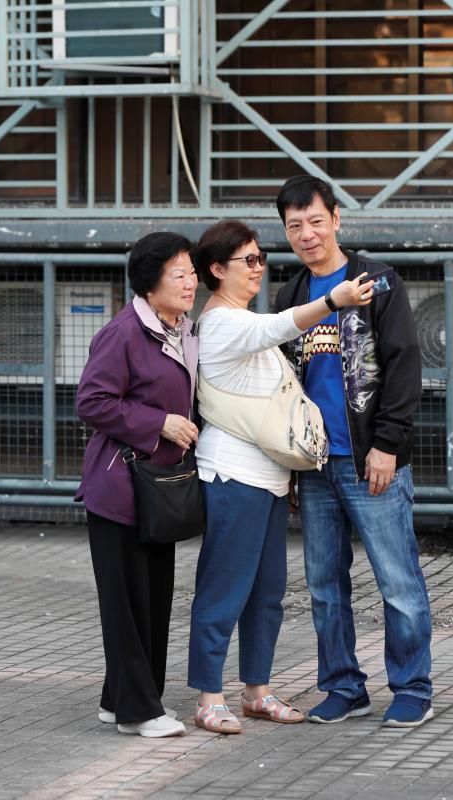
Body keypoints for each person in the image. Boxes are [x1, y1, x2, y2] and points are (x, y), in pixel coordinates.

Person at [188, 220, 372, 733]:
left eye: (260, 258)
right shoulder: (222, 323)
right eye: (246, 260)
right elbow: (280, 327)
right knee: (223, 589)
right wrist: (332, 301)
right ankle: (209, 696)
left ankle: (257, 691)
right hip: (232, 475)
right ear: (217, 271)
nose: (257, 268)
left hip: (269, 478)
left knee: (267, 591)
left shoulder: (243, 317)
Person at [272, 176, 434, 728]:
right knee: (322, 584)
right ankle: (343, 685)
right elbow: (284, 385)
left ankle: (412, 686)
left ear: (336, 218)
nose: (307, 234)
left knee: (397, 580)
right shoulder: (291, 296)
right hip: (314, 466)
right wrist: (290, 467)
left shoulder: (379, 282)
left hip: (371, 460)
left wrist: (387, 444)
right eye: (294, 226)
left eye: (315, 221)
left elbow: (405, 365)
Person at [75, 232, 199, 738]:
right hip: (120, 489)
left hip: (157, 489)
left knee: (152, 598)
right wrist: (160, 423)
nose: (192, 282)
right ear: (149, 285)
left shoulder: (181, 328)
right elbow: (93, 402)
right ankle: (139, 710)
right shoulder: (124, 332)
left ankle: (118, 698)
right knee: (127, 603)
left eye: (192, 272)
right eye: (179, 275)